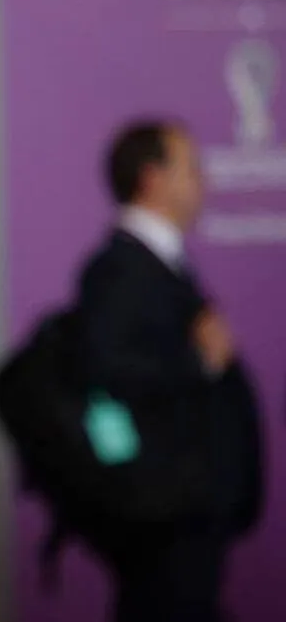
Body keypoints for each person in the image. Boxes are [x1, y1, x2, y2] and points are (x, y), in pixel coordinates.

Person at [75, 119, 262, 622]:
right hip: (162, 512)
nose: (205, 181)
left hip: (187, 510)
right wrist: (200, 361)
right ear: (152, 178)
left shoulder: (161, 263)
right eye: (191, 168)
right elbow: (106, 378)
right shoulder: (120, 269)